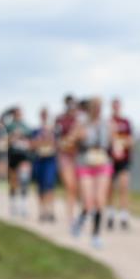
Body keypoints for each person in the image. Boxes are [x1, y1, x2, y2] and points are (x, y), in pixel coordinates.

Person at [69, 97, 114, 248]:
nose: (97, 109)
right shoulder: (81, 124)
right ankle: (80, 220)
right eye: (95, 106)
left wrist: (118, 147)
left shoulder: (107, 124)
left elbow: (113, 142)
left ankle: (95, 235)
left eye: (99, 106)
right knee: (88, 202)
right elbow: (69, 141)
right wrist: (77, 137)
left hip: (102, 162)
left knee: (100, 200)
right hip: (85, 163)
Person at [107, 98, 133, 231]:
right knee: (110, 188)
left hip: (124, 159)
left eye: (118, 106)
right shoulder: (108, 122)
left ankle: (123, 215)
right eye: (114, 106)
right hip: (110, 160)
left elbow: (130, 140)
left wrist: (122, 143)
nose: (116, 108)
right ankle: (110, 213)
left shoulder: (126, 122)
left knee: (124, 186)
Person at [54, 94, 80, 223]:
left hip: (79, 156)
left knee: (78, 186)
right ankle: (71, 214)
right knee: (70, 185)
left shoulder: (80, 119)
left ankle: (79, 211)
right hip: (65, 156)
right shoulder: (60, 120)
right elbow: (57, 139)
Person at [1, 107, 31, 217]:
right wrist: (12, 138)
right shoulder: (9, 126)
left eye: (20, 113)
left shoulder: (26, 126)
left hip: (23, 156)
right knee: (13, 182)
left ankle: (23, 206)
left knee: (24, 180)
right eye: (17, 113)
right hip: (12, 155)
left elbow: (30, 140)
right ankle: (13, 205)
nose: (19, 115)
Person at [30, 107, 59, 222]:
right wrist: (41, 140)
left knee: (50, 186)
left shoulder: (53, 130)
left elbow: (56, 144)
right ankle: (42, 211)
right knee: (41, 187)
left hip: (50, 160)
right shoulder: (36, 131)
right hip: (39, 160)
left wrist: (47, 138)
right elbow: (32, 145)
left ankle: (50, 210)